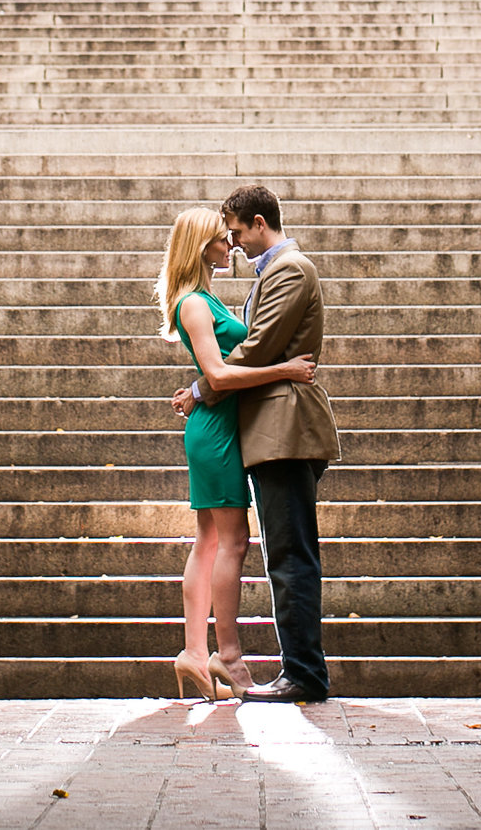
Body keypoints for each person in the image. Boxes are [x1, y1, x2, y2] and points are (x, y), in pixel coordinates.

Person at [172, 183, 339, 703]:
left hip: (282, 429)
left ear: (260, 224)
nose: (235, 244)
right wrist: (212, 382)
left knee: (288, 556)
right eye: (226, 237)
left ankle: (301, 672)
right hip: (254, 428)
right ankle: (213, 656)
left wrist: (203, 387)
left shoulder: (288, 270)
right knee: (256, 549)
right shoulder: (214, 294)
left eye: (238, 232)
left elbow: (258, 346)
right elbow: (250, 352)